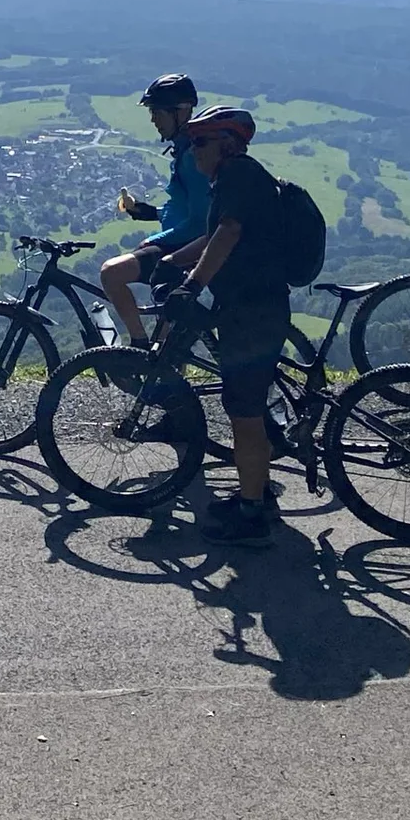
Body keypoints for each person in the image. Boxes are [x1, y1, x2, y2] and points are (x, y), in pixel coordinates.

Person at [163, 105, 290, 547]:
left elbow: (230, 232)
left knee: (246, 415)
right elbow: (215, 233)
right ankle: (253, 496)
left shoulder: (237, 175)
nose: (193, 149)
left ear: (228, 144)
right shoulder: (237, 179)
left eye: (201, 141)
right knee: (245, 410)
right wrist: (172, 261)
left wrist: (194, 284)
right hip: (252, 309)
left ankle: (253, 515)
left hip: (252, 313)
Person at [100, 73, 208, 346]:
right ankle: (165, 367)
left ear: (180, 112)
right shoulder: (187, 150)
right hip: (188, 242)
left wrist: (153, 240)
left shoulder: (194, 158)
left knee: (111, 273)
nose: (152, 120)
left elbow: (199, 223)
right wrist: (149, 212)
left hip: (189, 246)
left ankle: (139, 345)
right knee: (170, 341)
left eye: (157, 112)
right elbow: (184, 210)